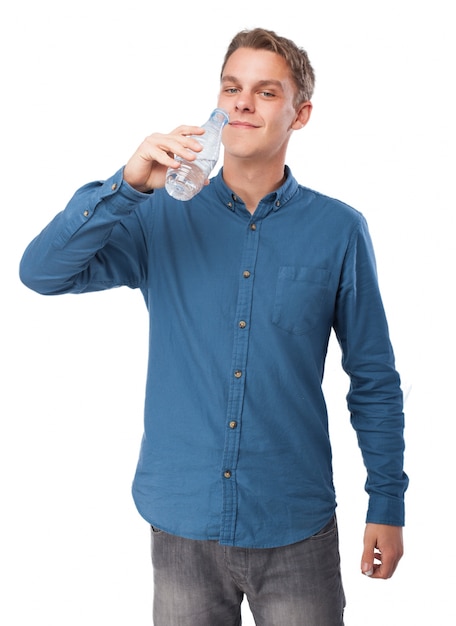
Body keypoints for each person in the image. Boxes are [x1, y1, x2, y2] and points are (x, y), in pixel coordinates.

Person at [19, 27, 408, 626]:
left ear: (300, 114)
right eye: (232, 88)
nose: (243, 103)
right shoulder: (155, 216)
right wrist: (125, 186)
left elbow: (374, 378)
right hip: (182, 525)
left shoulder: (339, 230)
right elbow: (41, 273)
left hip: (294, 525)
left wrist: (387, 501)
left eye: (265, 91)